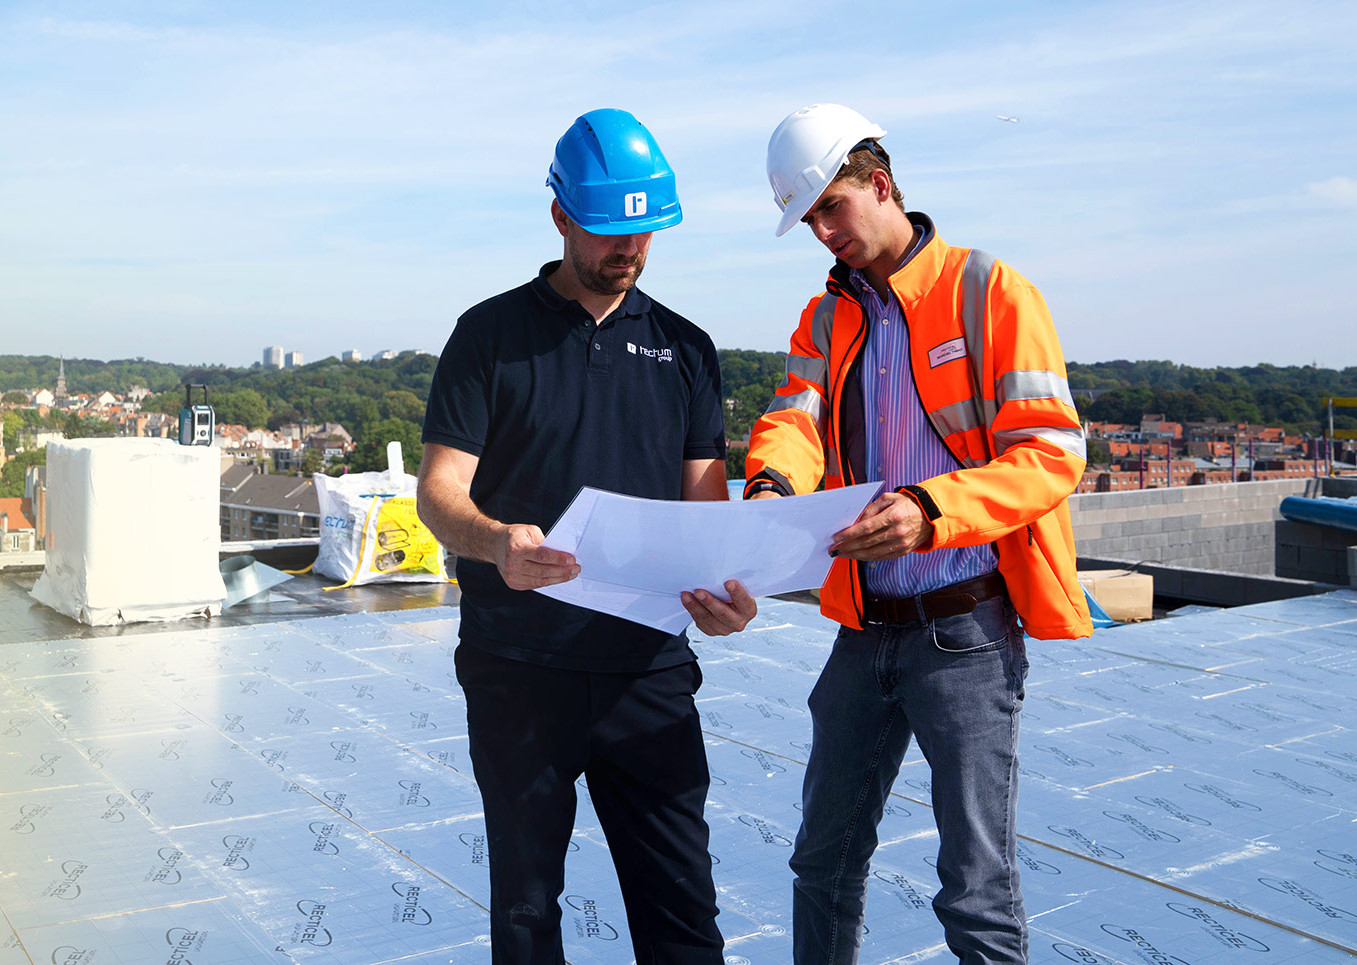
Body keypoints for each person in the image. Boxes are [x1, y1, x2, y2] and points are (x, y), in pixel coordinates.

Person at [686, 103, 1091, 964]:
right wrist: (770, 484)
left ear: (880, 182)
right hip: (865, 632)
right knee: (821, 862)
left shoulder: (990, 292)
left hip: (968, 633)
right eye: (808, 220)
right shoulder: (828, 318)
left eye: (833, 207)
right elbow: (793, 418)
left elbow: (1052, 455)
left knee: (976, 887)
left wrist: (931, 510)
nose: (823, 231)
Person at [418, 108, 755, 965]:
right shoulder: (489, 336)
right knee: (528, 913)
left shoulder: (687, 350)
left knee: (683, 913)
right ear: (562, 215)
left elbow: (704, 511)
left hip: (649, 669)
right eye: (611, 229)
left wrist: (726, 591)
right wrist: (495, 542)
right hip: (519, 669)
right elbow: (439, 492)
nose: (630, 250)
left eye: (645, 230)